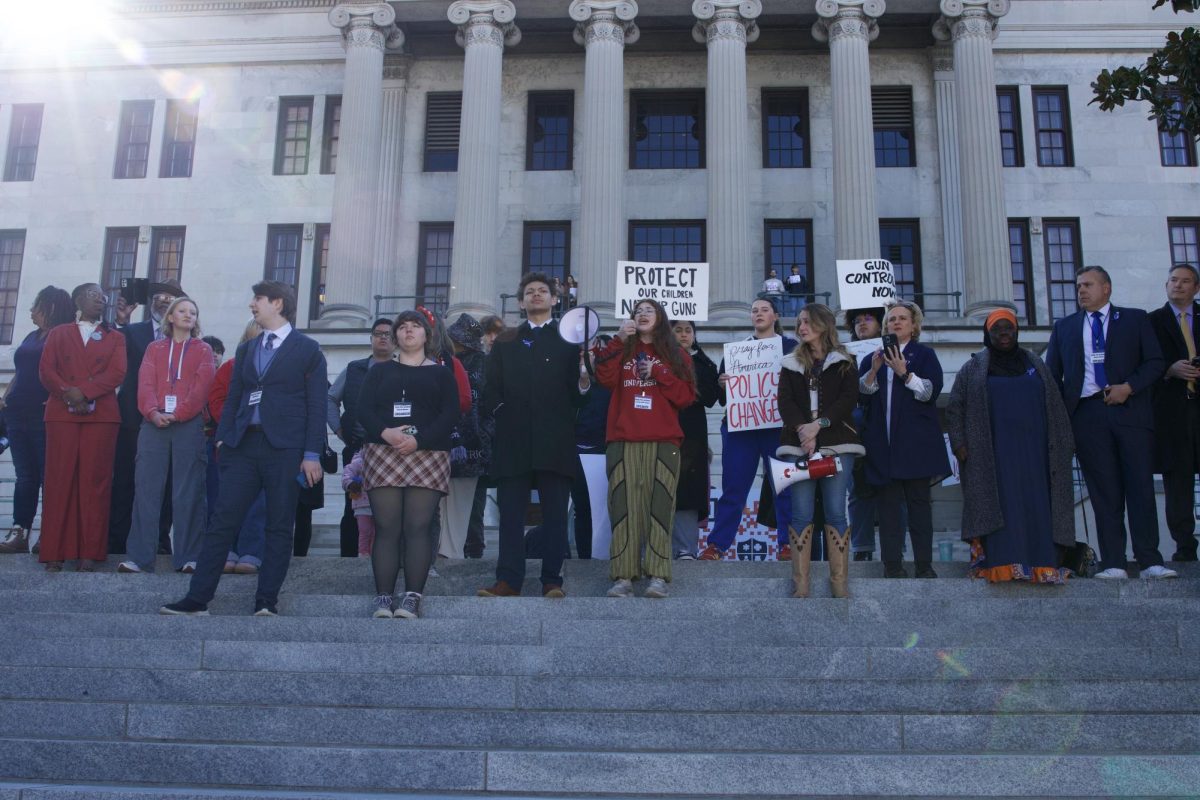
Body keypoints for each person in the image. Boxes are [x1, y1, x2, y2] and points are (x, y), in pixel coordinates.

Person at [161, 280, 327, 615]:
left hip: (285, 449)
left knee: (279, 524)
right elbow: (235, 395)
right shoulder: (247, 350)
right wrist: (224, 437)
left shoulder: (308, 349)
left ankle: (266, 601)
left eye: (259, 298)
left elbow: (317, 405)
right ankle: (198, 599)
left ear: (277, 304)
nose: (252, 304)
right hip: (242, 446)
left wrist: (311, 455)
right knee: (222, 521)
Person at [1045, 266, 1175, 579]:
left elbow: (1156, 362)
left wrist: (1128, 387)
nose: (1081, 291)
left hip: (1130, 411)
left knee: (1140, 486)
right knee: (1104, 491)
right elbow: (1052, 377)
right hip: (1087, 416)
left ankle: (1149, 560)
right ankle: (1114, 561)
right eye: (1078, 286)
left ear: (1107, 288)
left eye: (1088, 285)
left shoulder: (1135, 319)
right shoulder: (1065, 328)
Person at [477, 272, 590, 598]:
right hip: (513, 443)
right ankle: (508, 580)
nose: (537, 295)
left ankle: (552, 580)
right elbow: (490, 390)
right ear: (521, 301)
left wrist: (585, 375)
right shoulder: (507, 340)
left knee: (555, 515)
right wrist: (503, 415)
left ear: (556, 300)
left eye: (543, 291)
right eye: (530, 291)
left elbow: (580, 396)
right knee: (511, 514)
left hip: (555, 442)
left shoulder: (570, 341)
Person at [946, 310, 1075, 584]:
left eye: (1009, 329)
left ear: (1017, 332)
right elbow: (955, 407)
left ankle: (1042, 565)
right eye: (997, 330)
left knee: (1037, 503)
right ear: (987, 334)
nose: (1003, 334)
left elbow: (1055, 404)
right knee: (1001, 505)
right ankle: (1003, 564)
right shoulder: (973, 368)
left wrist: (1064, 443)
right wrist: (959, 443)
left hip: (1036, 452)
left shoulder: (1036, 364)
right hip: (991, 454)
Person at [357, 310, 460, 619]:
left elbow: (451, 414)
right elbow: (363, 409)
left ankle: (412, 597)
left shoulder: (442, 373)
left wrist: (420, 440)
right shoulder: (379, 371)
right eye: (403, 327)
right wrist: (386, 432)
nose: (409, 331)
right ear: (395, 335)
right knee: (386, 528)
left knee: (417, 527)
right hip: (383, 451)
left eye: (416, 327)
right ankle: (383, 597)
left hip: (427, 454)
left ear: (427, 335)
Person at [594, 300, 696, 598]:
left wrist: (659, 372)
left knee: (660, 510)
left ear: (660, 318)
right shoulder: (621, 347)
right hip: (623, 440)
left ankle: (658, 576)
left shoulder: (676, 354)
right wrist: (618, 340)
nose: (641, 314)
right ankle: (623, 576)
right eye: (637, 311)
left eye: (648, 310)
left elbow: (686, 396)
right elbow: (604, 378)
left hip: (663, 441)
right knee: (624, 510)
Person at [118, 297, 216, 574]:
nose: (188, 315)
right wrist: (151, 412)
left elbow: (202, 386)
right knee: (146, 490)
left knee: (189, 492)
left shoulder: (203, 349)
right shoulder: (154, 348)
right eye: (182, 311)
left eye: (193, 312)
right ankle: (139, 557)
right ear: (170, 317)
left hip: (187, 424)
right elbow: (145, 383)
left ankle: (189, 557)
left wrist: (180, 413)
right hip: (153, 423)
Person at [37, 283, 126, 572]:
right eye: (92, 296)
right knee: (58, 479)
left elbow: (117, 372)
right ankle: (53, 551)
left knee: (95, 482)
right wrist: (67, 392)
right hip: (62, 413)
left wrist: (84, 392)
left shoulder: (114, 336)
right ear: (77, 300)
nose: (100, 301)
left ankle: (90, 552)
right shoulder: (59, 333)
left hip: (101, 415)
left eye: (102, 298)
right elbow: (46, 370)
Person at [699, 298, 796, 560]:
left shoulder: (792, 348)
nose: (759, 314)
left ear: (776, 316)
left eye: (764, 310)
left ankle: (788, 544)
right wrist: (722, 383)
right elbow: (723, 398)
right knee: (733, 487)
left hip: (777, 427)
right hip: (741, 428)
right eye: (754, 311)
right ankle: (717, 545)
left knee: (784, 485)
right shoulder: (737, 351)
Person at [777, 304, 864, 598]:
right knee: (801, 513)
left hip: (838, 443)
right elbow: (785, 402)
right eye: (799, 322)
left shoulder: (845, 360)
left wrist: (819, 426)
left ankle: (839, 584)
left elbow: (849, 399)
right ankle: (801, 584)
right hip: (797, 443)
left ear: (823, 325)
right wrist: (804, 430)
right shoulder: (789, 362)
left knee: (835, 511)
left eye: (807, 321)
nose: (801, 327)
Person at [859, 301, 949, 579]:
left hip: (916, 448)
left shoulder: (924, 355)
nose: (895, 323)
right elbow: (862, 395)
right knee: (888, 511)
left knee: (919, 507)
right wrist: (874, 370)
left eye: (902, 319)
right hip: (883, 448)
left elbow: (929, 393)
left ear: (914, 325)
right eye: (891, 320)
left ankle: (923, 565)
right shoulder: (872, 357)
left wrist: (904, 373)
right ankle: (893, 566)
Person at [110, 281, 186, 555]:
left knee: (165, 484)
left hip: (169, 420)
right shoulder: (132, 332)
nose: (164, 300)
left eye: (171, 297)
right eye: (159, 296)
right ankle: (118, 540)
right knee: (125, 481)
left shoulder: (186, 338)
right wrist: (120, 323)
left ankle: (160, 540)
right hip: (132, 419)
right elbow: (112, 357)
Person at [0, 286, 74, 555]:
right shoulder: (33, 335)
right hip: (16, 411)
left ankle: (51, 533)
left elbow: (71, 372)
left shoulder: (64, 335)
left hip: (44, 414)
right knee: (25, 476)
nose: (31, 310)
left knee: (48, 475)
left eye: (37, 305)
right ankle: (20, 530)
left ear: (52, 307)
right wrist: (5, 397)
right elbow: (21, 371)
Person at [327, 318, 395, 557]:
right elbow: (330, 399)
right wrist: (338, 430)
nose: (383, 337)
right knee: (352, 508)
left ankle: (384, 558)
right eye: (378, 333)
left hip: (392, 453)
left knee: (389, 509)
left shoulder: (402, 370)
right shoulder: (354, 369)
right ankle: (348, 559)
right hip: (357, 449)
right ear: (371, 339)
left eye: (388, 334)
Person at [841, 307, 903, 562]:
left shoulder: (899, 352)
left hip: (889, 429)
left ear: (881, 323)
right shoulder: (846, 356)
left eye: (867, 319)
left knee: (896, 491)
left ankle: (896, 547)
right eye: (856, 321)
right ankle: (862, 547)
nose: (861, 324)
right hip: (858, 432)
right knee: (859, 491)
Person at [1149, 264, 1200, 562]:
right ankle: (1184, 547)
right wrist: (1169, 369)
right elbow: (1143, 362)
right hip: (1172, 413)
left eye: (1185, 281)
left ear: (1195, 288)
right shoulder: (1151, 321)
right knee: (1177, 481)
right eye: (1173, 281)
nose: (1178, 286)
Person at [209, 320, 266, 575]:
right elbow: (218, 400)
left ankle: (251, 552)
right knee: (228, 499)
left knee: (259, 503)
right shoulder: (231, 367)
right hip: (234, 442)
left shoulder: (280, 369)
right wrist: (236, 425)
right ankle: (227, 551)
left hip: (265, 442)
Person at [670, 319, 720, 560]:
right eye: (677, 330)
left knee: (688, 491)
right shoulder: (658, 358)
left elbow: (710, 398)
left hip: (691, 433)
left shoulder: (704, 363)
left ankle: (685, 549)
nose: (683, 334)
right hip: (661, 429)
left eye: (688, 330)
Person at [443, 314, 492, 558]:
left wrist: (486, 433)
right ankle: (447, 549)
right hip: (444, 442)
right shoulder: (443, 362)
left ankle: (474, 550)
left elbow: (493, 402)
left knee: (474, 504)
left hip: (476, 445)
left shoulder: (484, 363)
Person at [464, 315, 506, 559]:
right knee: (474, 500)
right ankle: (474, 547)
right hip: (477, 443)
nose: (492, 338)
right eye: (488, 333)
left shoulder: (510, 364)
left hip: (504, 442)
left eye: (497, 334)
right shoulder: (473, 364)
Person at [341, 450, 374, 557]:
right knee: (365, 531)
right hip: (362, 505)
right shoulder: (360, 461)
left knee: (376, 533)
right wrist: (351, 484)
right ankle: (363, 554)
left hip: (378, 504)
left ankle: (374, 554)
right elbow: (347, 474)